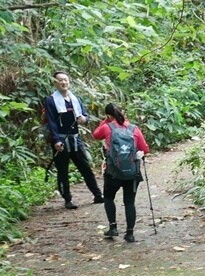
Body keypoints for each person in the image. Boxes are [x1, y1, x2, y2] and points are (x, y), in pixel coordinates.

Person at [43, 71, 104, 209]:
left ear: (69, 81)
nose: (63, 82)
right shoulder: (51, 100)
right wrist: (56, 140)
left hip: (76, 140)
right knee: (63, 171)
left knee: (86, 168)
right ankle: (68, 199)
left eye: (65, 80)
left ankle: (98, 195)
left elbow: (85, 116)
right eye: (60, 80)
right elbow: (51, 122)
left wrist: (85, 119)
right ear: (55, 83)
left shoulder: (75, 99)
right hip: (61, 141)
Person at [92, 104, 150, 243]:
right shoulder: (133, 128)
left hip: (113, 172)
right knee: (130, 202)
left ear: (108, 115)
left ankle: (113, 228)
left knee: (108, 198)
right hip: (131, 172)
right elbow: (145, 149)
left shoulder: (107, 127)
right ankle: (130, 233)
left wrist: (106, 121)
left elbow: (95, 135)